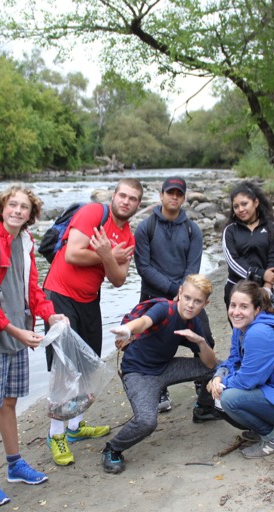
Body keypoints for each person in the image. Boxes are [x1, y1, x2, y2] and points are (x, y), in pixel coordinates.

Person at [0, 185, 68, 506]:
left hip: (17, 337)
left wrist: (50, 316)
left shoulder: (25, 243)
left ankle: (14, 464)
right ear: (2, 208)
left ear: (31, 214)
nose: (18, 211)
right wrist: (16, 331)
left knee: (9, 403)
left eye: (24, 207)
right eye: (13, 205)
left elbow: (32, 292)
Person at [42, 178, 143, 466]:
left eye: (132, 198)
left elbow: (119, 279)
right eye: (122, 195)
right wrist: (108, 255)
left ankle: (75, 427)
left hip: (89, 300)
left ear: (137, 205)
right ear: (114, 196)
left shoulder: (128, 237)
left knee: (88, 363)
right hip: (59, 294)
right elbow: (73, 253)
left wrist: (105, 255)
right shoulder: (92, 214)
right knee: (63, 366)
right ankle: (56, 434)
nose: (126, 201)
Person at [101, 274, 218, 474]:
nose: (190, 305)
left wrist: (199, 341)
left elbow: (210, 363)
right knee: (147, 422)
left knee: (218, 369)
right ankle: (113, 448)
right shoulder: (165, 309)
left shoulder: (194, 323)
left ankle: (203, 409)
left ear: (205, 304)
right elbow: (145, 322)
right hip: (139, 374)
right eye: (187, 298)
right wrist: (127, 330)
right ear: (180, 293)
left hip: (165, 367)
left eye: (197, 301)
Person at [207, 281, 274, 459]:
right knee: (221, 390)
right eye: (233, 305)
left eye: (243, 306)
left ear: (257, 309)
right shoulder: (240, 327)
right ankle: (267, 426)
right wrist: (218, 376)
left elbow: (247, 381)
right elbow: (233, 359)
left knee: (228, 398)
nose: (236, 312)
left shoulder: (259, 333)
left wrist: (220, 384)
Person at [134, 176, 211, 416]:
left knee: (204, 339)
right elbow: (144, 268)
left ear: (184, 197)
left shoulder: (192, 229)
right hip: (154, 297)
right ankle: (160, 389)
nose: (174, 197)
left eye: (179, 193)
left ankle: (204, 384)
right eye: (170, 192)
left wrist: (185, 293)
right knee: (153, 345)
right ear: (161, 195)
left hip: (187, 297)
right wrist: (173, 290)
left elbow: (193, 266)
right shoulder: (146, 227)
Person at [222, 180, 274, 309]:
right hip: (236, 290)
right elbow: (233, 262)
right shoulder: (230, 230)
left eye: (244, 204)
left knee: (264, 328)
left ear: (256, 202)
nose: (240, 209)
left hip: (263, 290)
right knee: (241, 328)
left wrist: (267, 286)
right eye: (236, 206)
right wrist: (260, 273)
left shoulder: (271, 228)